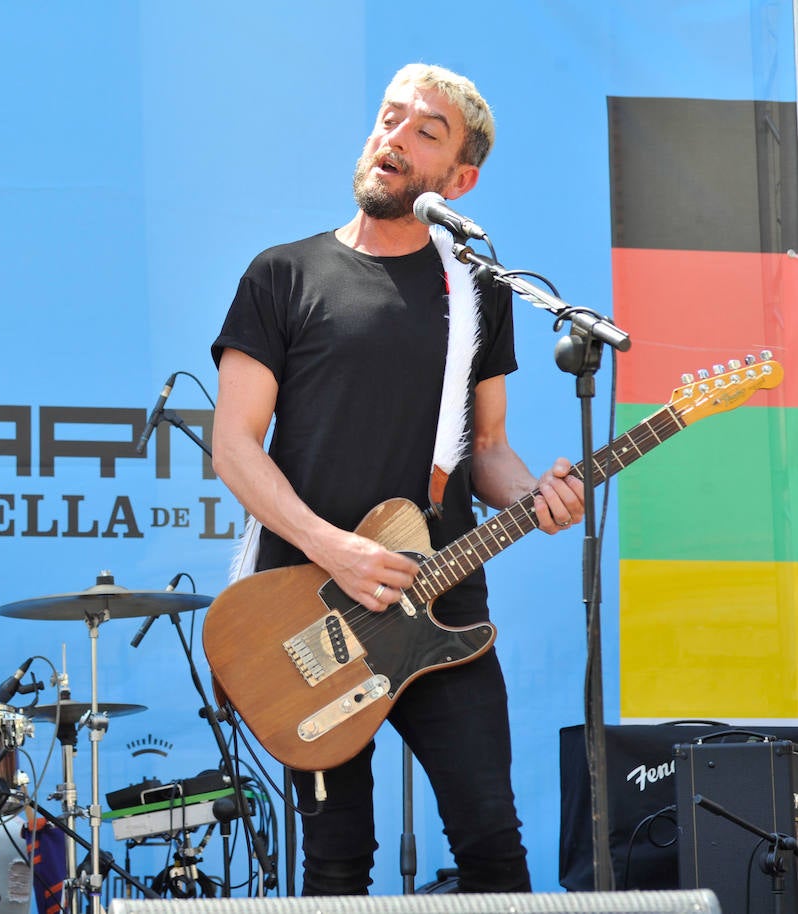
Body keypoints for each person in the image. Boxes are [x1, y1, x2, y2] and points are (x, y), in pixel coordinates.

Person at [210, 63, 585, 895]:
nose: (395, 137)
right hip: (305, 615)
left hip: (441, 611)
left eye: (426, 130)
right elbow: (233, 446)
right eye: (390, 118)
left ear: (461, 178)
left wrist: (533, 498)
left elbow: (487, 446)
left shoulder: (479, 291)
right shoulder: (282, 274)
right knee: (338, 864)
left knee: (494, 847)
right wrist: (332, 548)